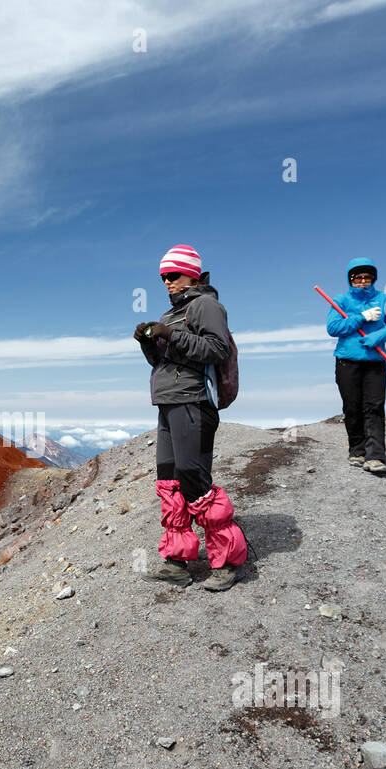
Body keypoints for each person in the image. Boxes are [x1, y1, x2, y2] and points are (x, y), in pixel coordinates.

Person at [134, 244, 247, 590]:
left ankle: (228, 562)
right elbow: (163, 364)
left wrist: (172, 335)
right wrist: (149, 343)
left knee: (193, 478)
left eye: (174, 275)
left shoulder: (205, 305)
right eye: (163, 277)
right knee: (170, 480)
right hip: (169, 402)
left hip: (194, 401)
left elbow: (216, 349)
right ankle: (177, 561)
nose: (167, 282)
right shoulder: (172, 314)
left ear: (193, 274)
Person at [325, 257, 386, 476]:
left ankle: (375, 456)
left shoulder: (385, 299)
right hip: (346, 361)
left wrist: (378, 336)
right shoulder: (340, 300)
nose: (362, 281)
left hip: (375, 362)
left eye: (367, 277)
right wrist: (361, 317)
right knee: (352, 407)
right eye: (357, 277)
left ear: (373, 278)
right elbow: (333, 327)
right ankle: (357, 451)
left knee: (374, 407)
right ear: (350, 279)